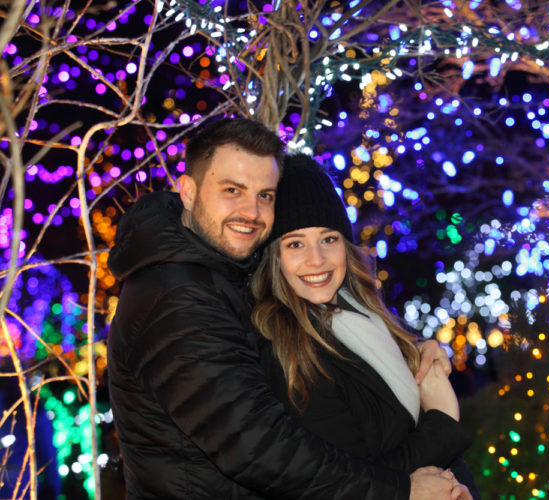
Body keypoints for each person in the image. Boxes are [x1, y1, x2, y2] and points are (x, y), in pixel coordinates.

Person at [107, 117, 462, 499]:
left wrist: (411, 355)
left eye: (265, 195)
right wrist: (402, 489)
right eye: (232, 189)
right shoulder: (176, 298)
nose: (251, 211)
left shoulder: (218, 273)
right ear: (188, 192)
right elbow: (262, 449)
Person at [251, 154, 480, 499]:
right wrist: (443, 421)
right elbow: (355, 480)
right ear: (274, 257)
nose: (317, 260)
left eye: (328, 239)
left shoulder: (367, 317)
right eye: (295, 243)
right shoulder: (288, 352)